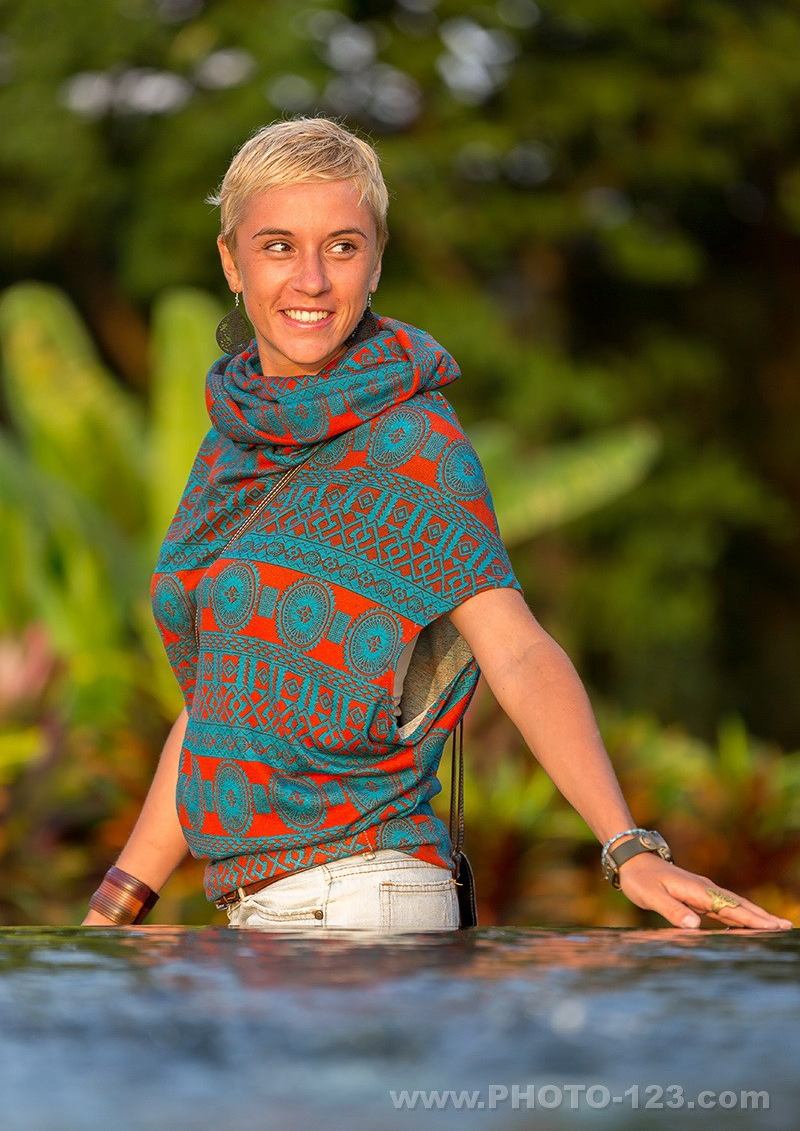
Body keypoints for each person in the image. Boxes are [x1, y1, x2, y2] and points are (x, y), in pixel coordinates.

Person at [83, 118, 791, 934]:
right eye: (278, 246)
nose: (311, 279)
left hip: (361, 895)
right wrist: (112, 913)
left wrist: (628, 846)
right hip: (268, 909)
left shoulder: (411, 439)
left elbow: (518, 650)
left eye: (342, 247)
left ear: (376, 261)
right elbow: (223, 705)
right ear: (231, 262)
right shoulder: (230, 449)